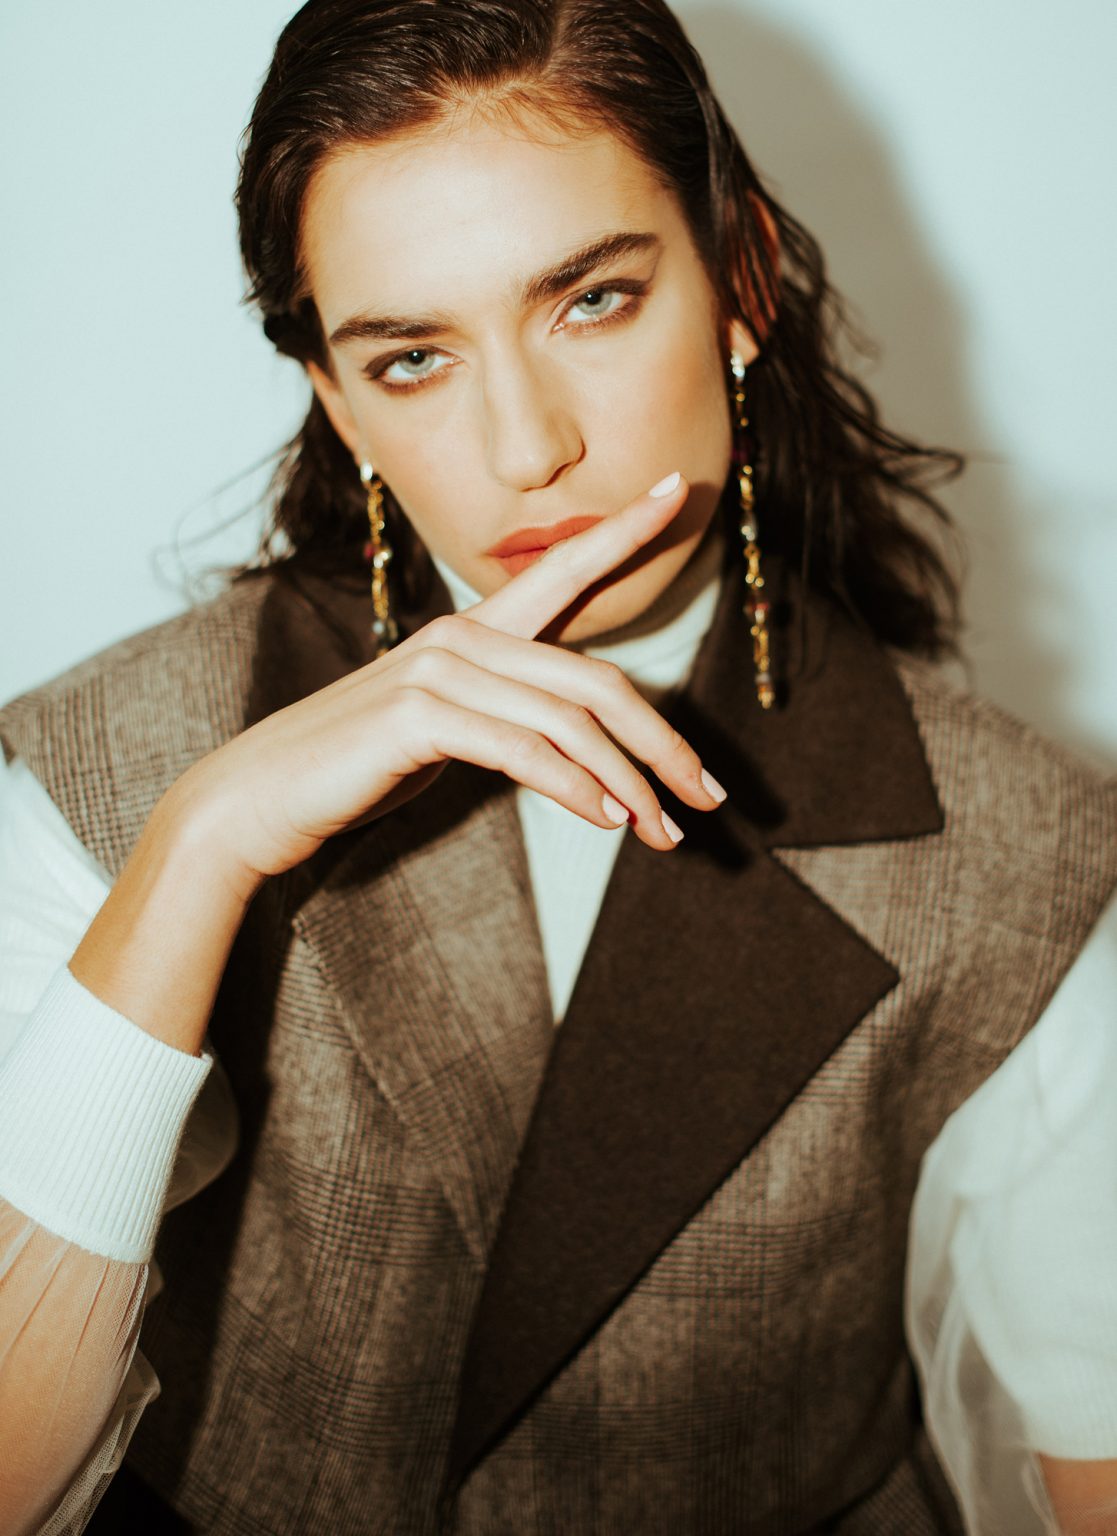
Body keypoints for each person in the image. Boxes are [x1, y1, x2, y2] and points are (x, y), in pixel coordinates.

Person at [0, 0, 1114, 1531]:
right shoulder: (106, 763)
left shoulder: (1032, 854)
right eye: (412, 358)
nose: (526, 450)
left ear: (740, 284)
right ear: (335, 398)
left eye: (589, 301)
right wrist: (199, 844)